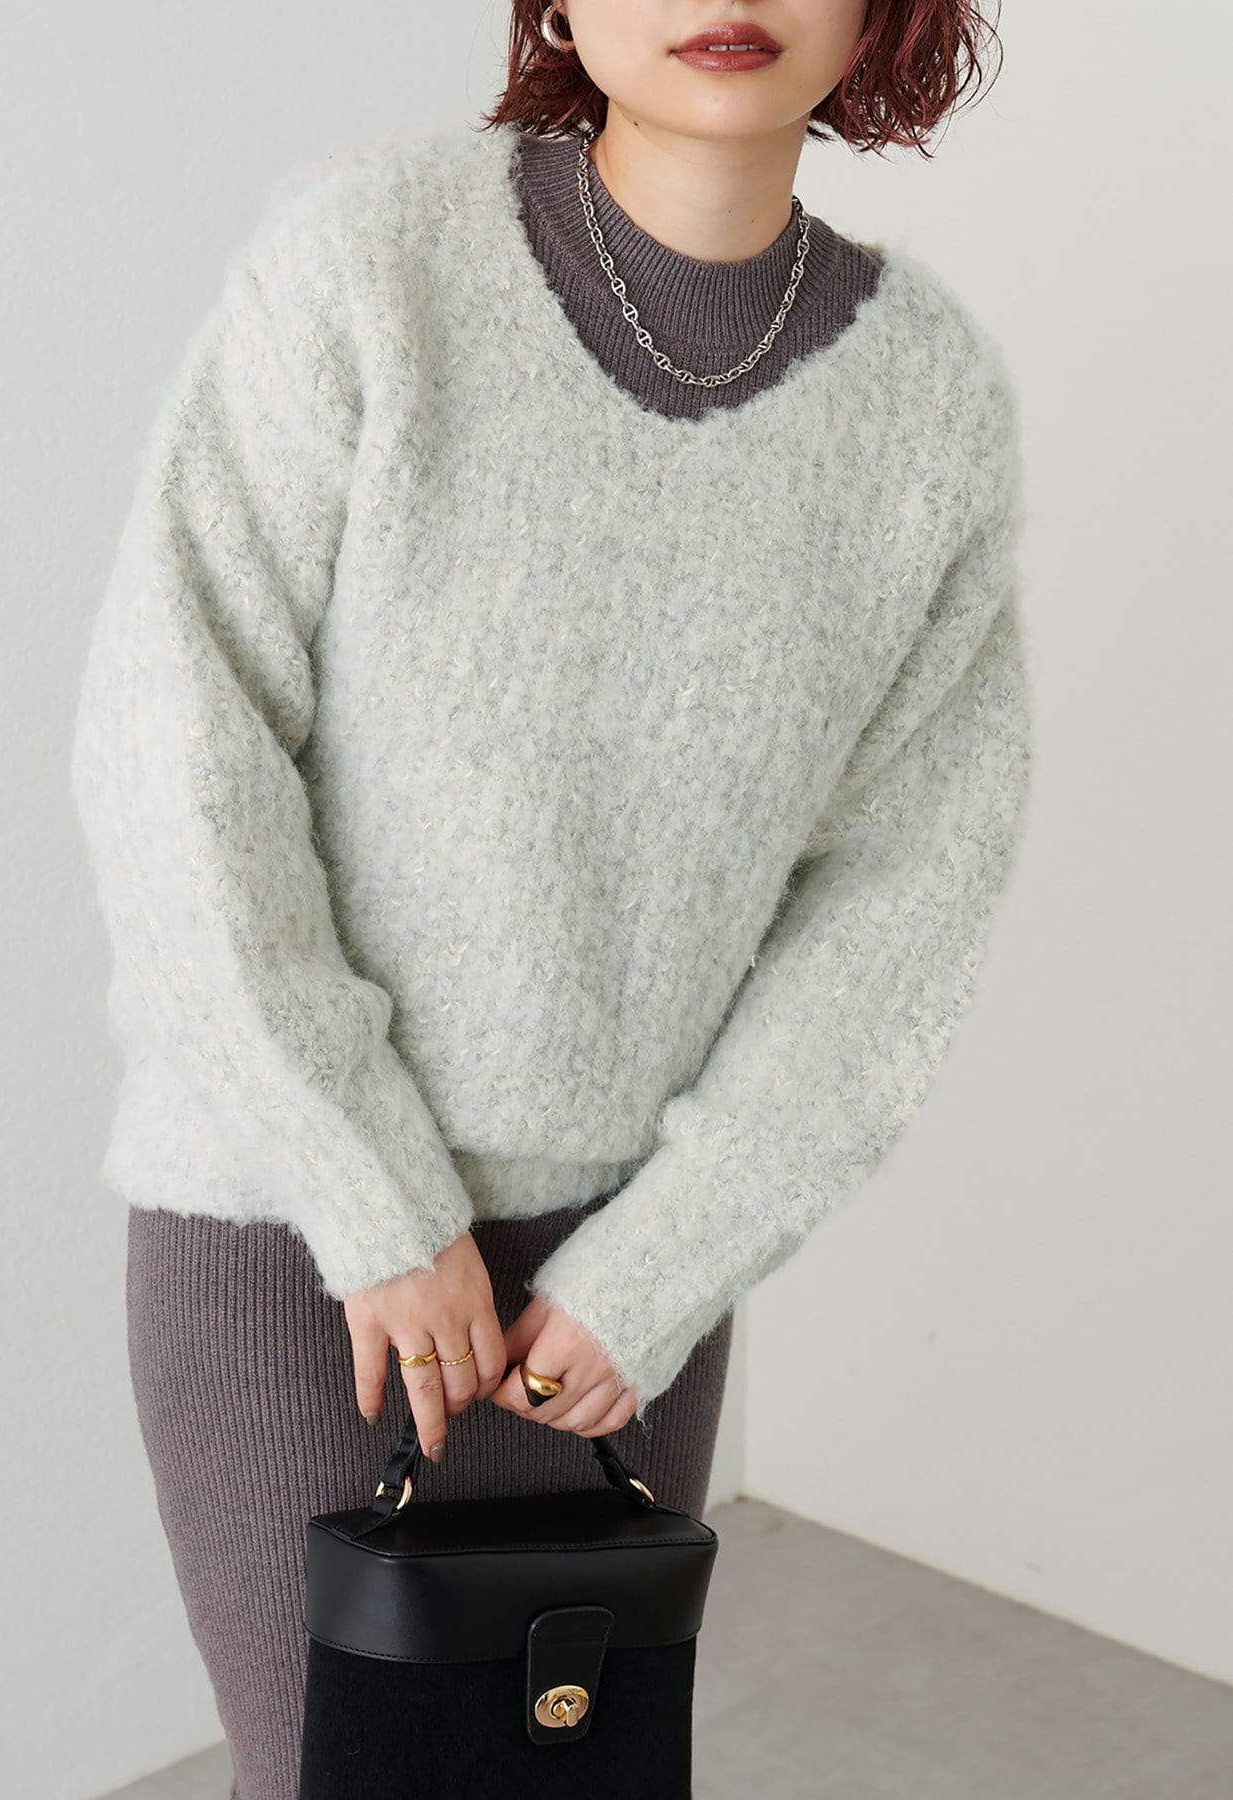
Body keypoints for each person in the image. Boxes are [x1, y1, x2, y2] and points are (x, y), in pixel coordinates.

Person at [68, 3, 1030, 1793]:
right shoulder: (370, 260)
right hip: (296, 1238)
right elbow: (174, 743)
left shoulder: (931, 406)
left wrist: (660, 1269)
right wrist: (370, 1195)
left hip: (621, 1294)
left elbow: (903, 903)